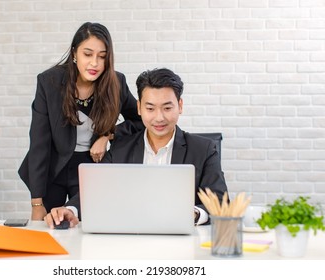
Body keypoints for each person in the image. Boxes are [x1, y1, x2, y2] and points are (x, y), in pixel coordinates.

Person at [45, 67, 228, 228]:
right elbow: (95, 190)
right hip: (130, 241)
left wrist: (194, 214)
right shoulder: (120, 149)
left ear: (180, 106)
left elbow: (220, 202)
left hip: (183, 243)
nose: (159, 118)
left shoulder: (204, 150)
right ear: (139, 108)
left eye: (167, 108)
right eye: (150, 108)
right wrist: (71, 209)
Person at [18, 22, 143, 223]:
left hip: (91, 167)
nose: (94, 63)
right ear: (75, 53)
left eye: (102, 56)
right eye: (88, 54)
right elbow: (39, 144)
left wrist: (107, 135)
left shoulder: (116, 83)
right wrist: (37, 203)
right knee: (50, 228)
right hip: (54, 167)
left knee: (90, 227)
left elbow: (141, 119)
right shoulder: (49, 82)